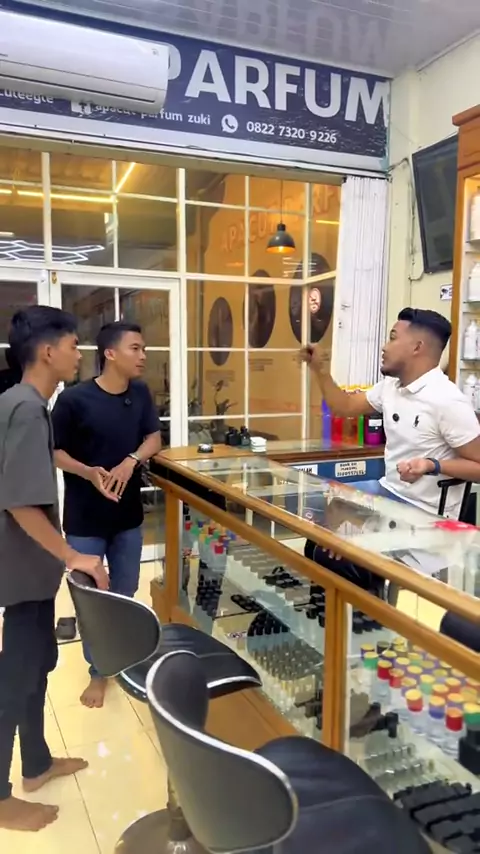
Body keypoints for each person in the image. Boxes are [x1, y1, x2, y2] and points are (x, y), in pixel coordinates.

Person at [0, 306, 108, 834]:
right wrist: (72, 555)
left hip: (30, 572)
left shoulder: (22, 403)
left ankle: (37, 763)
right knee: (15, 679)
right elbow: (20, 502)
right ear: (47, 352)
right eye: (72, 345)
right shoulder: (24, 408)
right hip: (22, 572)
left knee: (38, 665)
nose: (79, 355)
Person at [300, 307, 480, 589]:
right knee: (317, 527)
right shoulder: (390, 387)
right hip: (387, 495)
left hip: (422, 514)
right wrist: (320, 370)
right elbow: (343, 406)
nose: (384, 346)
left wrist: (433, 465)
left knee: (337, 557)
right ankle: (336, 603)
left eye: (393, 338)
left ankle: (367, 607)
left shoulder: (447, 401)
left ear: (417, 347)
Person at [52, 321, 161, 709]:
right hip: (85, 519)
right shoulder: (74, 400)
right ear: (110, 354)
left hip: (128, 517)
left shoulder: (140, 393)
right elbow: (54, 451)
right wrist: (88, 472)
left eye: (144, 348)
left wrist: (131, 461)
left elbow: (153, 438)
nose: (143, 356)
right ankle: (98, 670)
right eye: (135, 348)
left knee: (125, 592)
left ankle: (124, 657)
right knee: (93, 601)